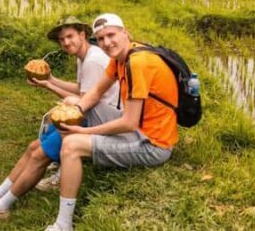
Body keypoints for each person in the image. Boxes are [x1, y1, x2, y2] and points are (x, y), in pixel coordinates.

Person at [0, 16, 121, 219]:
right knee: (34, 146)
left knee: (40, 154)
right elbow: (80, 88)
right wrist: (50, 79)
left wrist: (48, 86)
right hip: (89, 114)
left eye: (70, 36)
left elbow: (82, 103)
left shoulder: (93, 60)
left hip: (95, 120)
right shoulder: (84, 57)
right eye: (62, 39)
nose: (66, 42)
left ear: (83, 35)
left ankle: (3, 206)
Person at [45, 14, 178, 231]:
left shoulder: (137, 63)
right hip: (141, 129)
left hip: (153, 143)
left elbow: (129, 123)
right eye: (101, 38)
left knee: (72, 145)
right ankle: (61, 167)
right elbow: (96, 92)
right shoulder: (122, 57)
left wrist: (83, 131)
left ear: (124, 32)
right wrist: (75, 111)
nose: (107, 43)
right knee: (77, 105)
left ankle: (63, 224)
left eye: (111, 35)